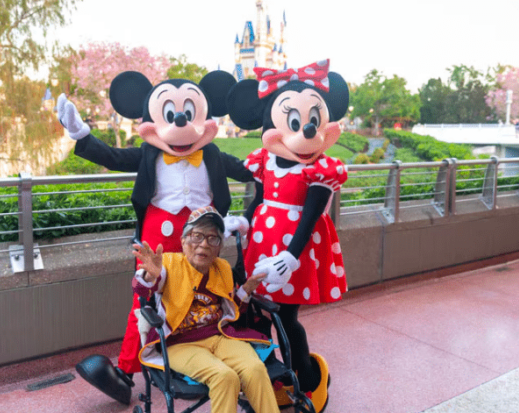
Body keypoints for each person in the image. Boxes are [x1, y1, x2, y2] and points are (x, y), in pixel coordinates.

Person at [57, 71, 252, 405]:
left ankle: (221, 348)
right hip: (157, 237)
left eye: (190, 113)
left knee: (210, 289)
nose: (180, 122)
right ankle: (127, 370)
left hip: (203, 233)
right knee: (146, 298)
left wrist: (281, 168)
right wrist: (80, 132)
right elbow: (113, 157)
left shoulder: (213, 154)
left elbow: (251, 169)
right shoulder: (148, 153)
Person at [226, 59, 350, 412]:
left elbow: (311, 217)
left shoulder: (320, 169)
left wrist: (291, 255)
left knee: (286, 317)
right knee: (256, 314)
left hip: (294, 252)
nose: (307, 131)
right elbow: (261, 198)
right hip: (260, 246)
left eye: (312, 121)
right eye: (295, 122)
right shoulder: (266, 160)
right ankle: (271, 377)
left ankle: (309, 379)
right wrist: (245, 221)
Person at [133, 207, 279, 413]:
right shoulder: (168, 264)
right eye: (197, 236)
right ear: (183, 241)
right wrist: (149, 276)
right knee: (224, 376)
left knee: (255, 369)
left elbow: (232, 311)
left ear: (218, 246)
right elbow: (142, 288)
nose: (204, 244)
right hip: (180, 343)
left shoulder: (222, 268)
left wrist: (246, 290)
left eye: (213, 238)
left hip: (219, 336)